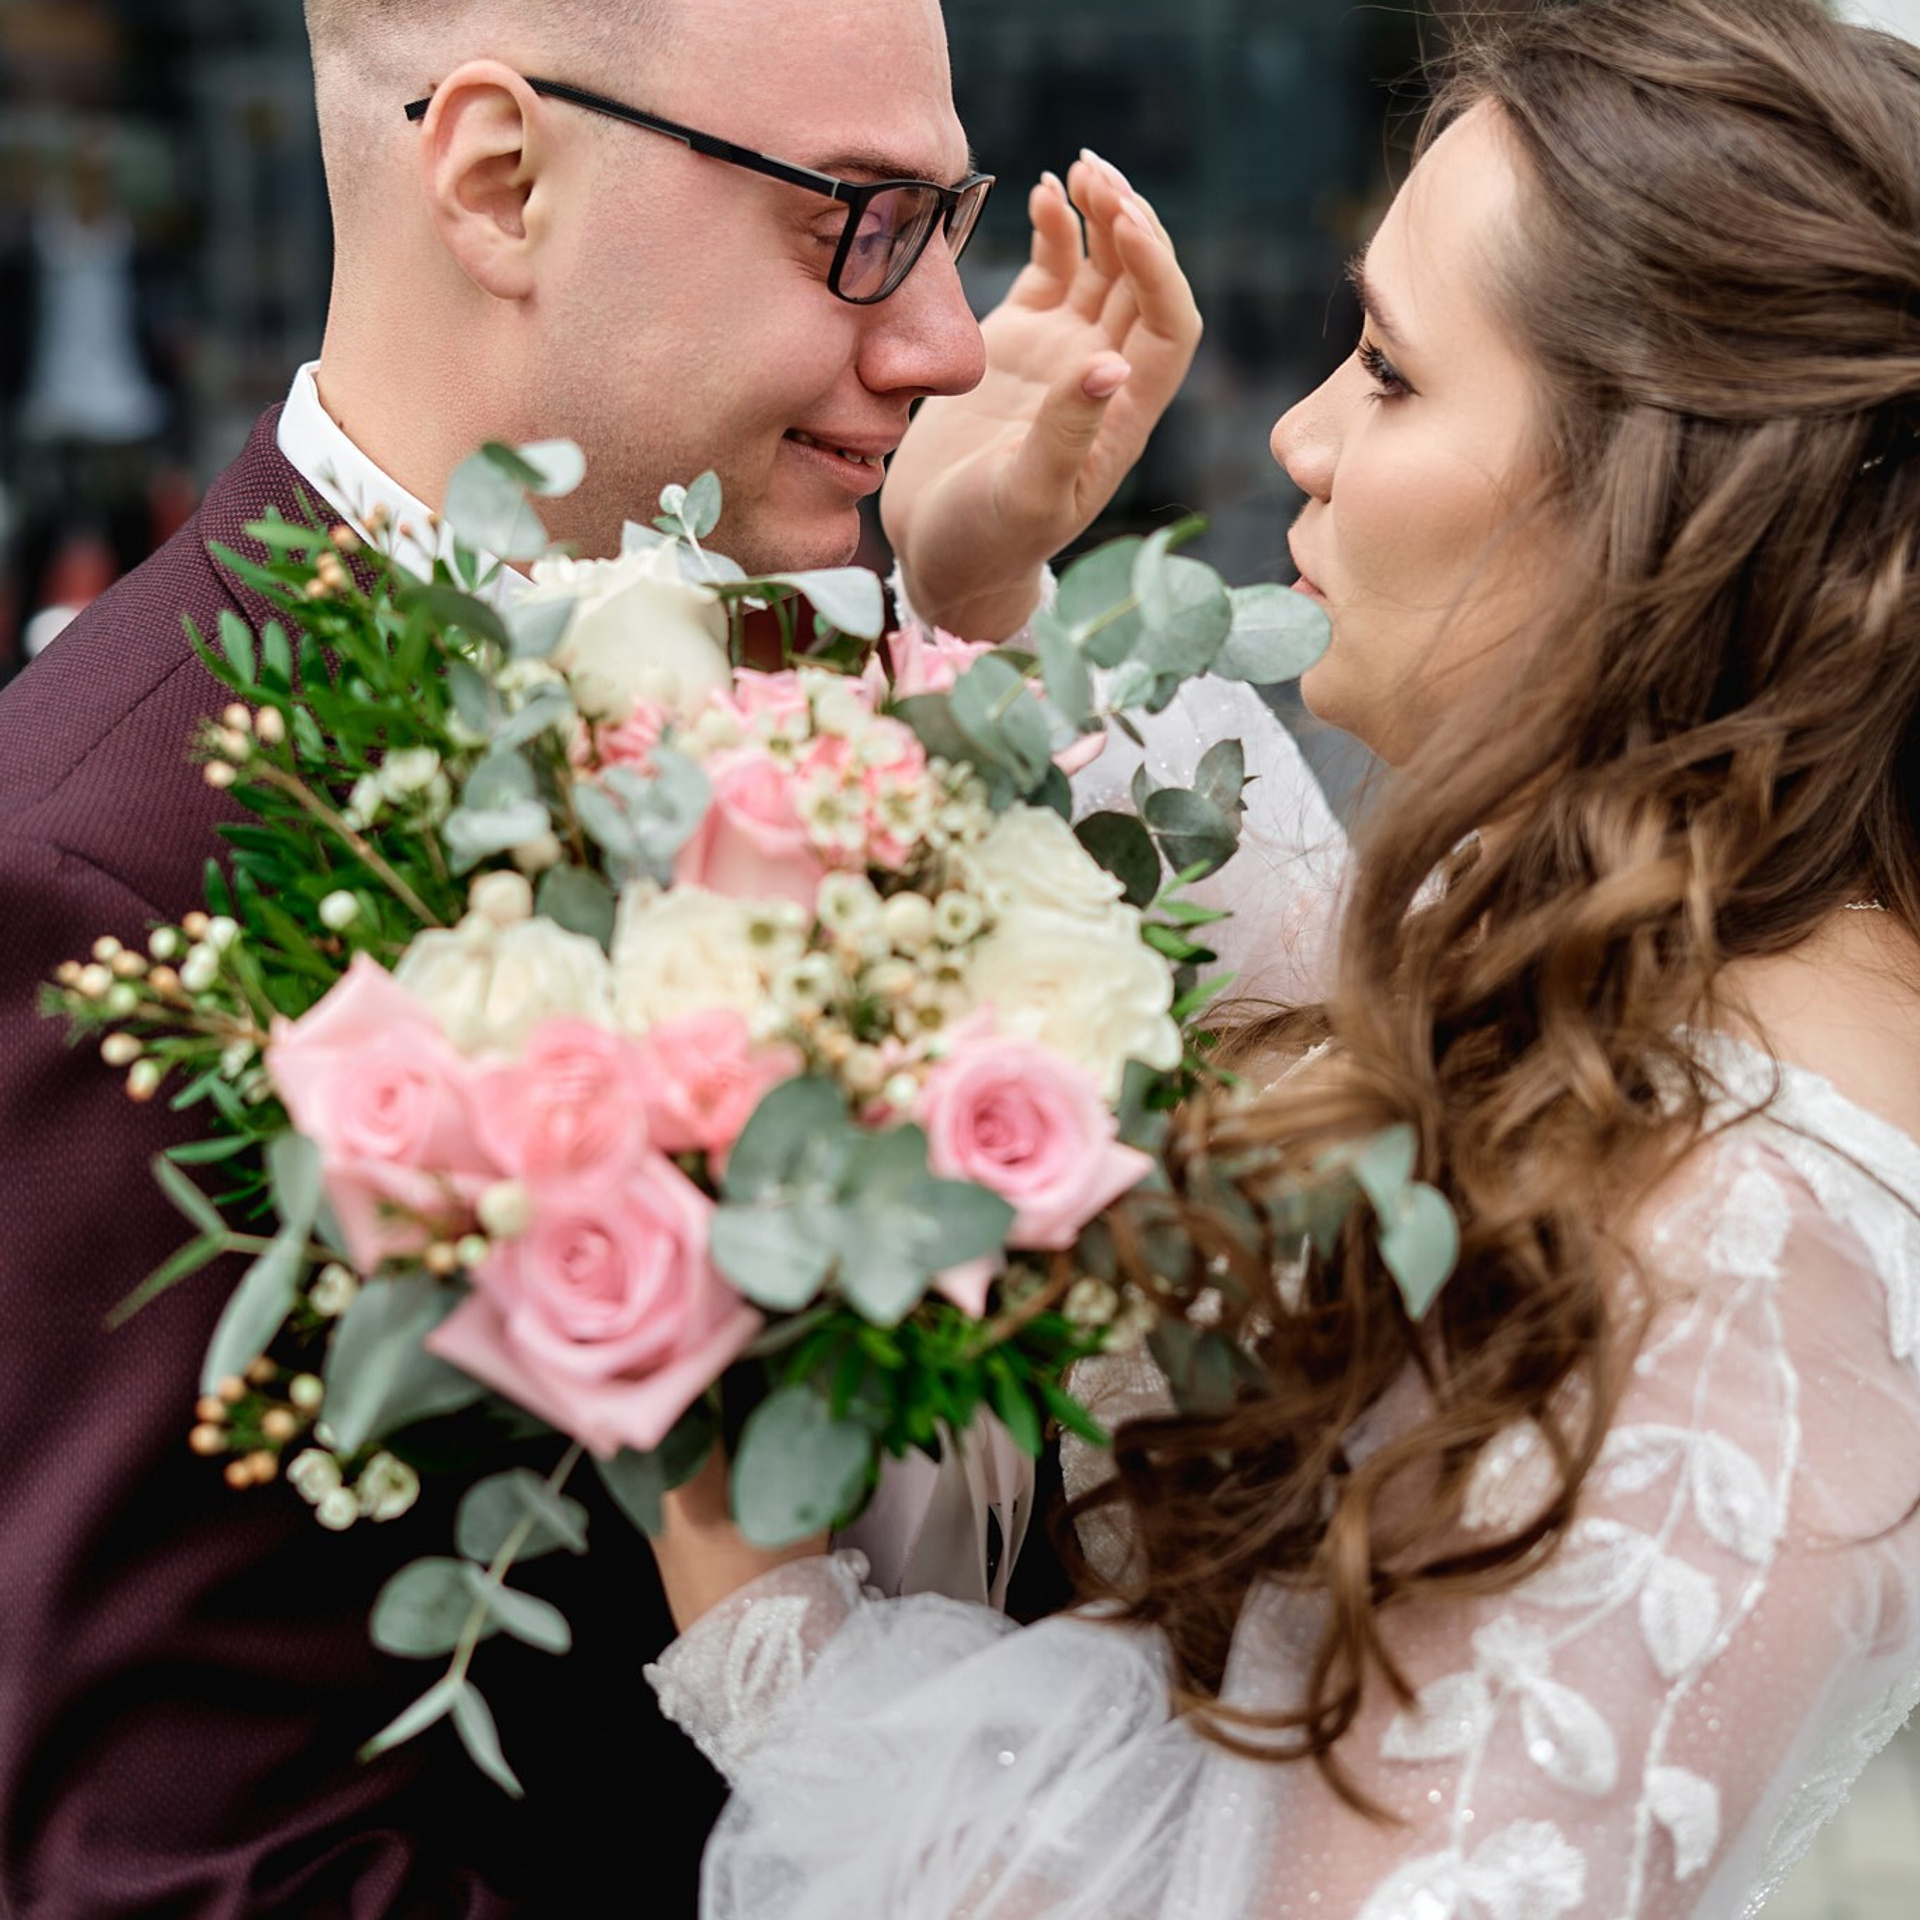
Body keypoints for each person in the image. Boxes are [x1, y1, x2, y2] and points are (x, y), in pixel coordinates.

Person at [638, 2, 1920, 1914]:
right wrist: (974, 597)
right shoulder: (1646, 973)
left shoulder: (1750, 1253)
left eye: (1392, 373)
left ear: (1666, 493)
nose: (1298, 438)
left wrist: (747, 1575)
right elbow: (1253, 1001)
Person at [0, 0, 1271, 1910]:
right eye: (855, 217)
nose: (941, 340)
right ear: (500, 183)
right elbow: (198, 1871)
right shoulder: (99, 872)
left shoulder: (881, 687)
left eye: (952, 220)